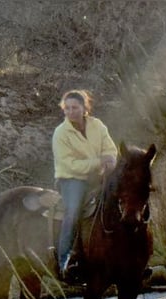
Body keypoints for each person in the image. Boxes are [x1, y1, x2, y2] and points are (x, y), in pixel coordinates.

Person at [52, 89, 117, 282]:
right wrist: (99, 162)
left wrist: (111, 161)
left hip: (98, 176)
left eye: (75, 107)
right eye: (67, 108)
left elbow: (110, 149)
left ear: (84, 108)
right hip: (72, 179)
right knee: (73, 211)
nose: (71, 112)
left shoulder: (97, 125)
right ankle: (65, 260)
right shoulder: (61, 133)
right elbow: (69, 164)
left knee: (124, 201)